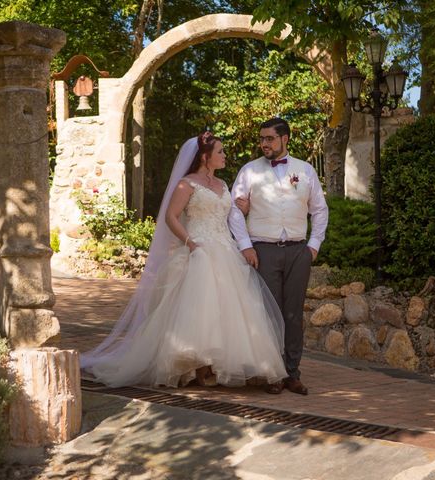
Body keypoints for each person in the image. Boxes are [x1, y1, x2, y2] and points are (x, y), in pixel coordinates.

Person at [81, 132, 287, 389]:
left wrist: (243, 209)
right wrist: (190, 242)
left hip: (225, 250)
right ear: (205, 156)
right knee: (201, 308)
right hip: (200, 249)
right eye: (220, 152)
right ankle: (195, 367)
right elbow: (171, 216)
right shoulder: (186, 184)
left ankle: (219, 365)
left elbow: (228, 214)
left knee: (230, 309)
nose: (224, 156)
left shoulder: (223, 185)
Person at [229, 117, 329, 395]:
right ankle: (271, 373)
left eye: (269, 138)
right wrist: (245, 245)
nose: (264, 144)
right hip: (263, 251)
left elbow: (319, 209)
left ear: (285, 139)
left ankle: (292, 374)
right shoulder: (249, 171)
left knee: (293, 315)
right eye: (261, 139)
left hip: (299, 251)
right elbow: (234, 210)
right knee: (268, 314)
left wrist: (314, 245)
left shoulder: (305, 170)